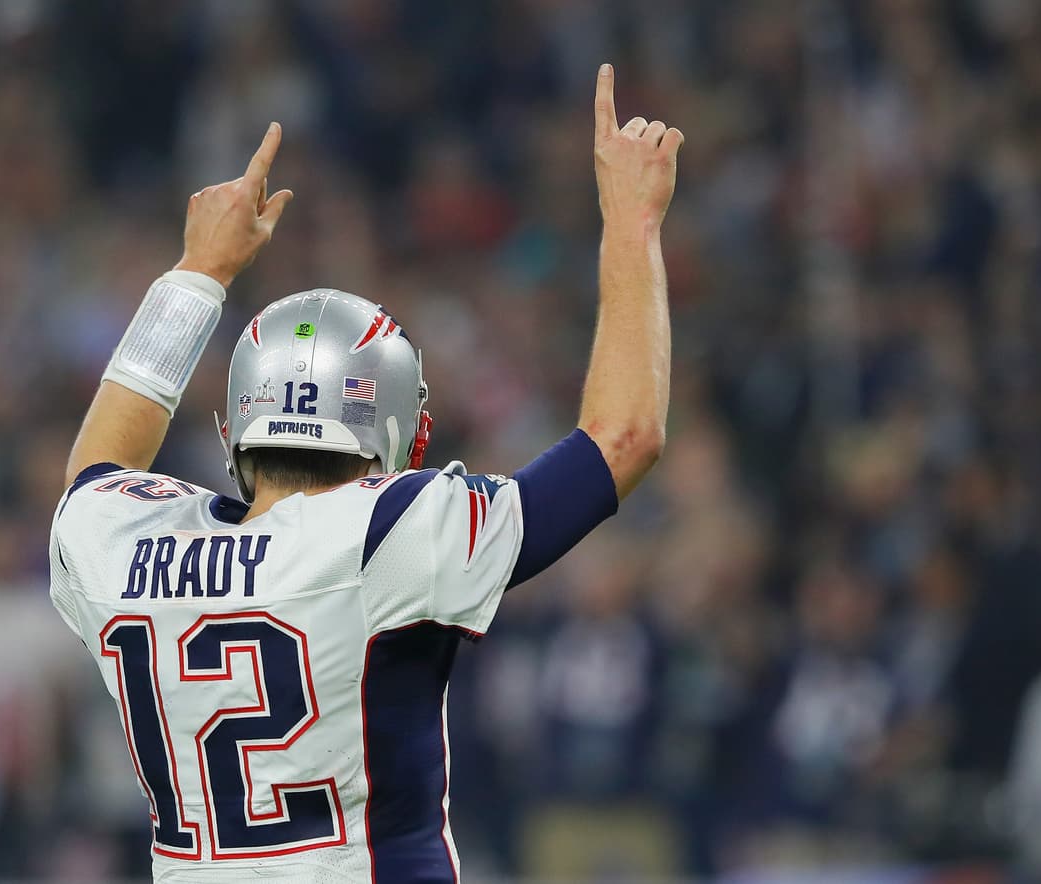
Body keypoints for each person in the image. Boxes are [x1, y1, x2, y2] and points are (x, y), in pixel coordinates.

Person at [48, 65, 682, 882]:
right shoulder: (387, 529)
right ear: (394, 429)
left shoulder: (124, 538)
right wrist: (632, 224)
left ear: (235, 426)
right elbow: (624, 438)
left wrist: (197, 273)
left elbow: (100, 465)